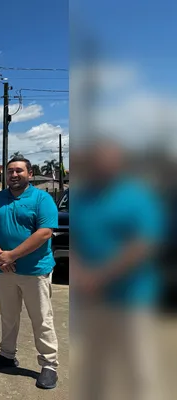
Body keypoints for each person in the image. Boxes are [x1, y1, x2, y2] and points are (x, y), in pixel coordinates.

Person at [71, 140, 164, 400]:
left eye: (108, 159)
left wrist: (99, 277)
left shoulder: (138, 196)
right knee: (94, 364)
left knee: (137, 365)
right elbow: (74, 241)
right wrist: (80, 274)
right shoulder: (82, 197)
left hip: (131, 298)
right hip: (92, 299)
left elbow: (144, 244)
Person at [0, 156, 59, 390]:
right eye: (10, 171)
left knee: (41, 318)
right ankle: (7, 354)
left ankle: (49, 365)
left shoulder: (41, 198)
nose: (14, 175)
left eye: (19, 171)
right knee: (8, 315)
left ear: (30, 174)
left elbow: (45, 232)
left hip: (35, 270)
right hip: (3, 269)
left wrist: (11, 255)